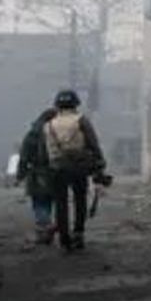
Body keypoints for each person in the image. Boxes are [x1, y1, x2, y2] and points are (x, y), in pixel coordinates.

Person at [43, 89, 107, 253]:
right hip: (78, 166)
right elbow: (93, 143)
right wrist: (100, 163)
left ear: (57, 105)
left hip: (57, 167)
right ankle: (78, 234)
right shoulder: (81, 120)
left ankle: (64, 240)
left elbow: (46, 151)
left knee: (61, 204)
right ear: (75, 104)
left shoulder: (49, 125)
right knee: (80, 200)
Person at [15, 108, 59, 245]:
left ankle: (45, 228)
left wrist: (20, 175)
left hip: (37, 173)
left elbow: (24, 156)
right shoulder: (59, 132)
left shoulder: (33, 134)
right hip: (56, 172)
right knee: (50, 202)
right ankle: (47, 233)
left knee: (40, 203)